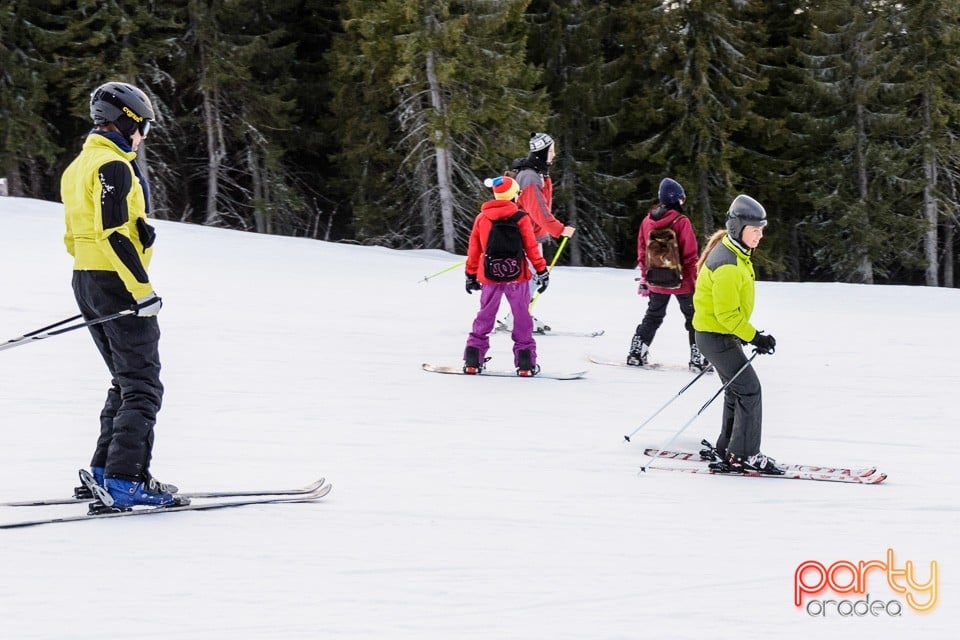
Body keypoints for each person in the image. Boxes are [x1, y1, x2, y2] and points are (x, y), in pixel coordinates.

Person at [61, 81, 186, 507]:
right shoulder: (112, 166)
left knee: (125, 379)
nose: (144, 136)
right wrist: (141, 290)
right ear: (127, 122)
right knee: (144, 386)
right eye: (143, 127)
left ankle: (103, 471)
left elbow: (73, 238)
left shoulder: (79, 165)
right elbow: (114, 233)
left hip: (86, 278)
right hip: (116, 284)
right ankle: (125, 480)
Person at [692, 194, 780, 474]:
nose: (760, 235)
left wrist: (745, 333)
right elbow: (727, 314)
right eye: (755, 230)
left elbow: (729, 313)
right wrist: (756, 337)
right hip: (716, 336)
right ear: (738, 228)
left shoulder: (735, 252)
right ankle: (744, 454)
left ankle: (728, 448)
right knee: (750, 390)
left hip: (717, 335)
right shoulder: (728, 262)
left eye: (761, 229)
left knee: (737, 390)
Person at [463, 176, 549, 376]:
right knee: (521, 317)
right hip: (517, 276)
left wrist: (470, 274)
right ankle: (525, 363)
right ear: (513, 195)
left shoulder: (482, 218)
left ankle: (473, 359)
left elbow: (474, 249)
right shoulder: (521, 217)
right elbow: (531, 248)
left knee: (485, 315)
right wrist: (542, 270)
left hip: (489, 276)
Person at [498, 132, 575, 333]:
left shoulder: (537, 172)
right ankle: (517, 317)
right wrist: (560, 230)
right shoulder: (530, 176)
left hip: (531, 234)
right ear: (541, 153)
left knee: (531, 278)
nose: (554, 154)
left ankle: (517, 315)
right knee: (532, 277)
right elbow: (538, 211)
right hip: (525, 236)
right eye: (551, 150)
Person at [627, 177, 707, 371]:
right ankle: (698, 358)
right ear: (676, 199)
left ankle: (636, 352)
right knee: (693, 319)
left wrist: (645, 276)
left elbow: (641, 250)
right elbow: (690, 254)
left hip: (656, 278)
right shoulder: (681, 221)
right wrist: (694, 279)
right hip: (682, 281)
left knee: (653, 316)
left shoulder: (648, 220)